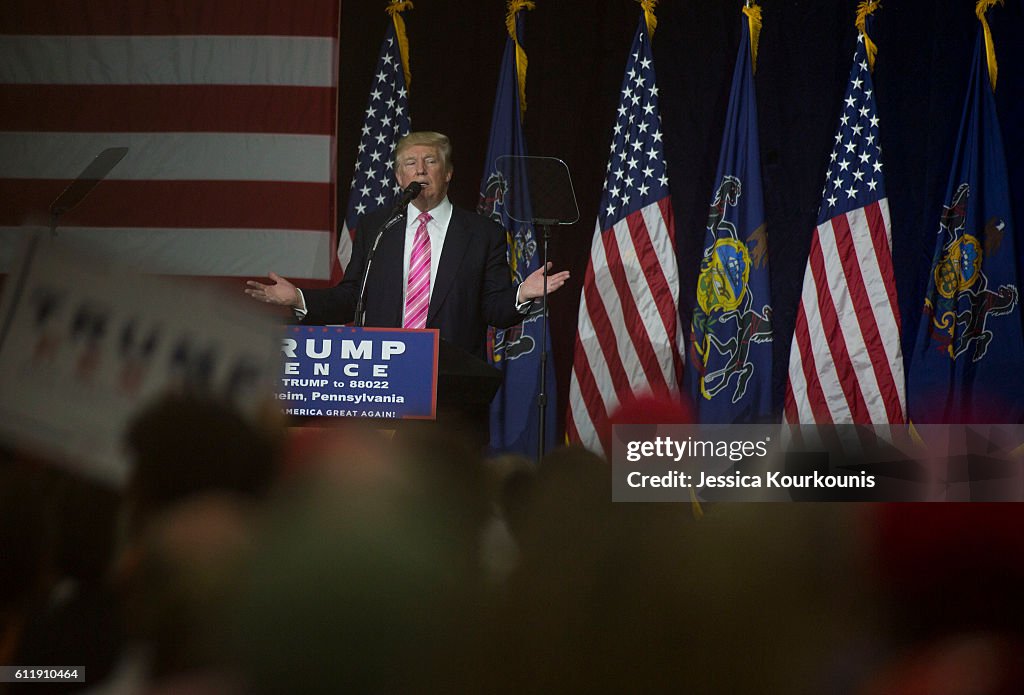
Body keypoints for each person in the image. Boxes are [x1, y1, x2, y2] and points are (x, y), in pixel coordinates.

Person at [245, 131, 569, 360]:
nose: (420, 170)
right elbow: (351, 298)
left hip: (450, 379)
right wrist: (299, 298)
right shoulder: (378, 227)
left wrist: (521, 295)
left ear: (448, 173)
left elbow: (493, 310)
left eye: (430, 161)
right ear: (399, 177)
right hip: (382, 372)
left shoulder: (483, 234)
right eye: (410, 164)